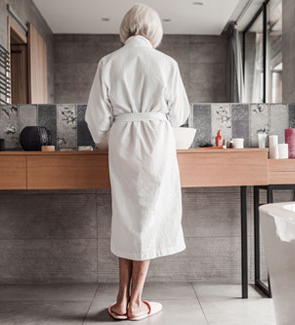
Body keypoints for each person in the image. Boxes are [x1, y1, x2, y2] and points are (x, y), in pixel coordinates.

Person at [85, 3, 190, 321]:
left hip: (122, 141)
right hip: (156, 141)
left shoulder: (108, 62)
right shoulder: (166, 63)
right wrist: (159, 123)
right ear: (155, 31)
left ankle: (120, 299)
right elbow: (181, 114)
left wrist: (109, 136)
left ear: (126, 28)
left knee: (127, 218)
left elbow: (96, 118)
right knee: (149, 218)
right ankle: (135, 303)